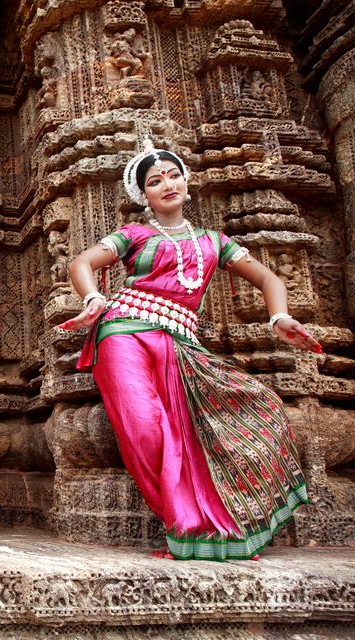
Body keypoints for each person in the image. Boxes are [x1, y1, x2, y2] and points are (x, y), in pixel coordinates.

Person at [61, 139, 319, 561]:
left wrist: (279, 318)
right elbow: (81, 263)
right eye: (154, 181)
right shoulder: (135, 234)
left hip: (181, 342)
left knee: (231, 418)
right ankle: (183, 525)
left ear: (187, 181)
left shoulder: (216, 242)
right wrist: (93, 299)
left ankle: (220, 529)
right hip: (123, 331)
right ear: (142, 195)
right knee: (145, 429)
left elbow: (271, 280)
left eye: (173, 175)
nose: (167, 184)